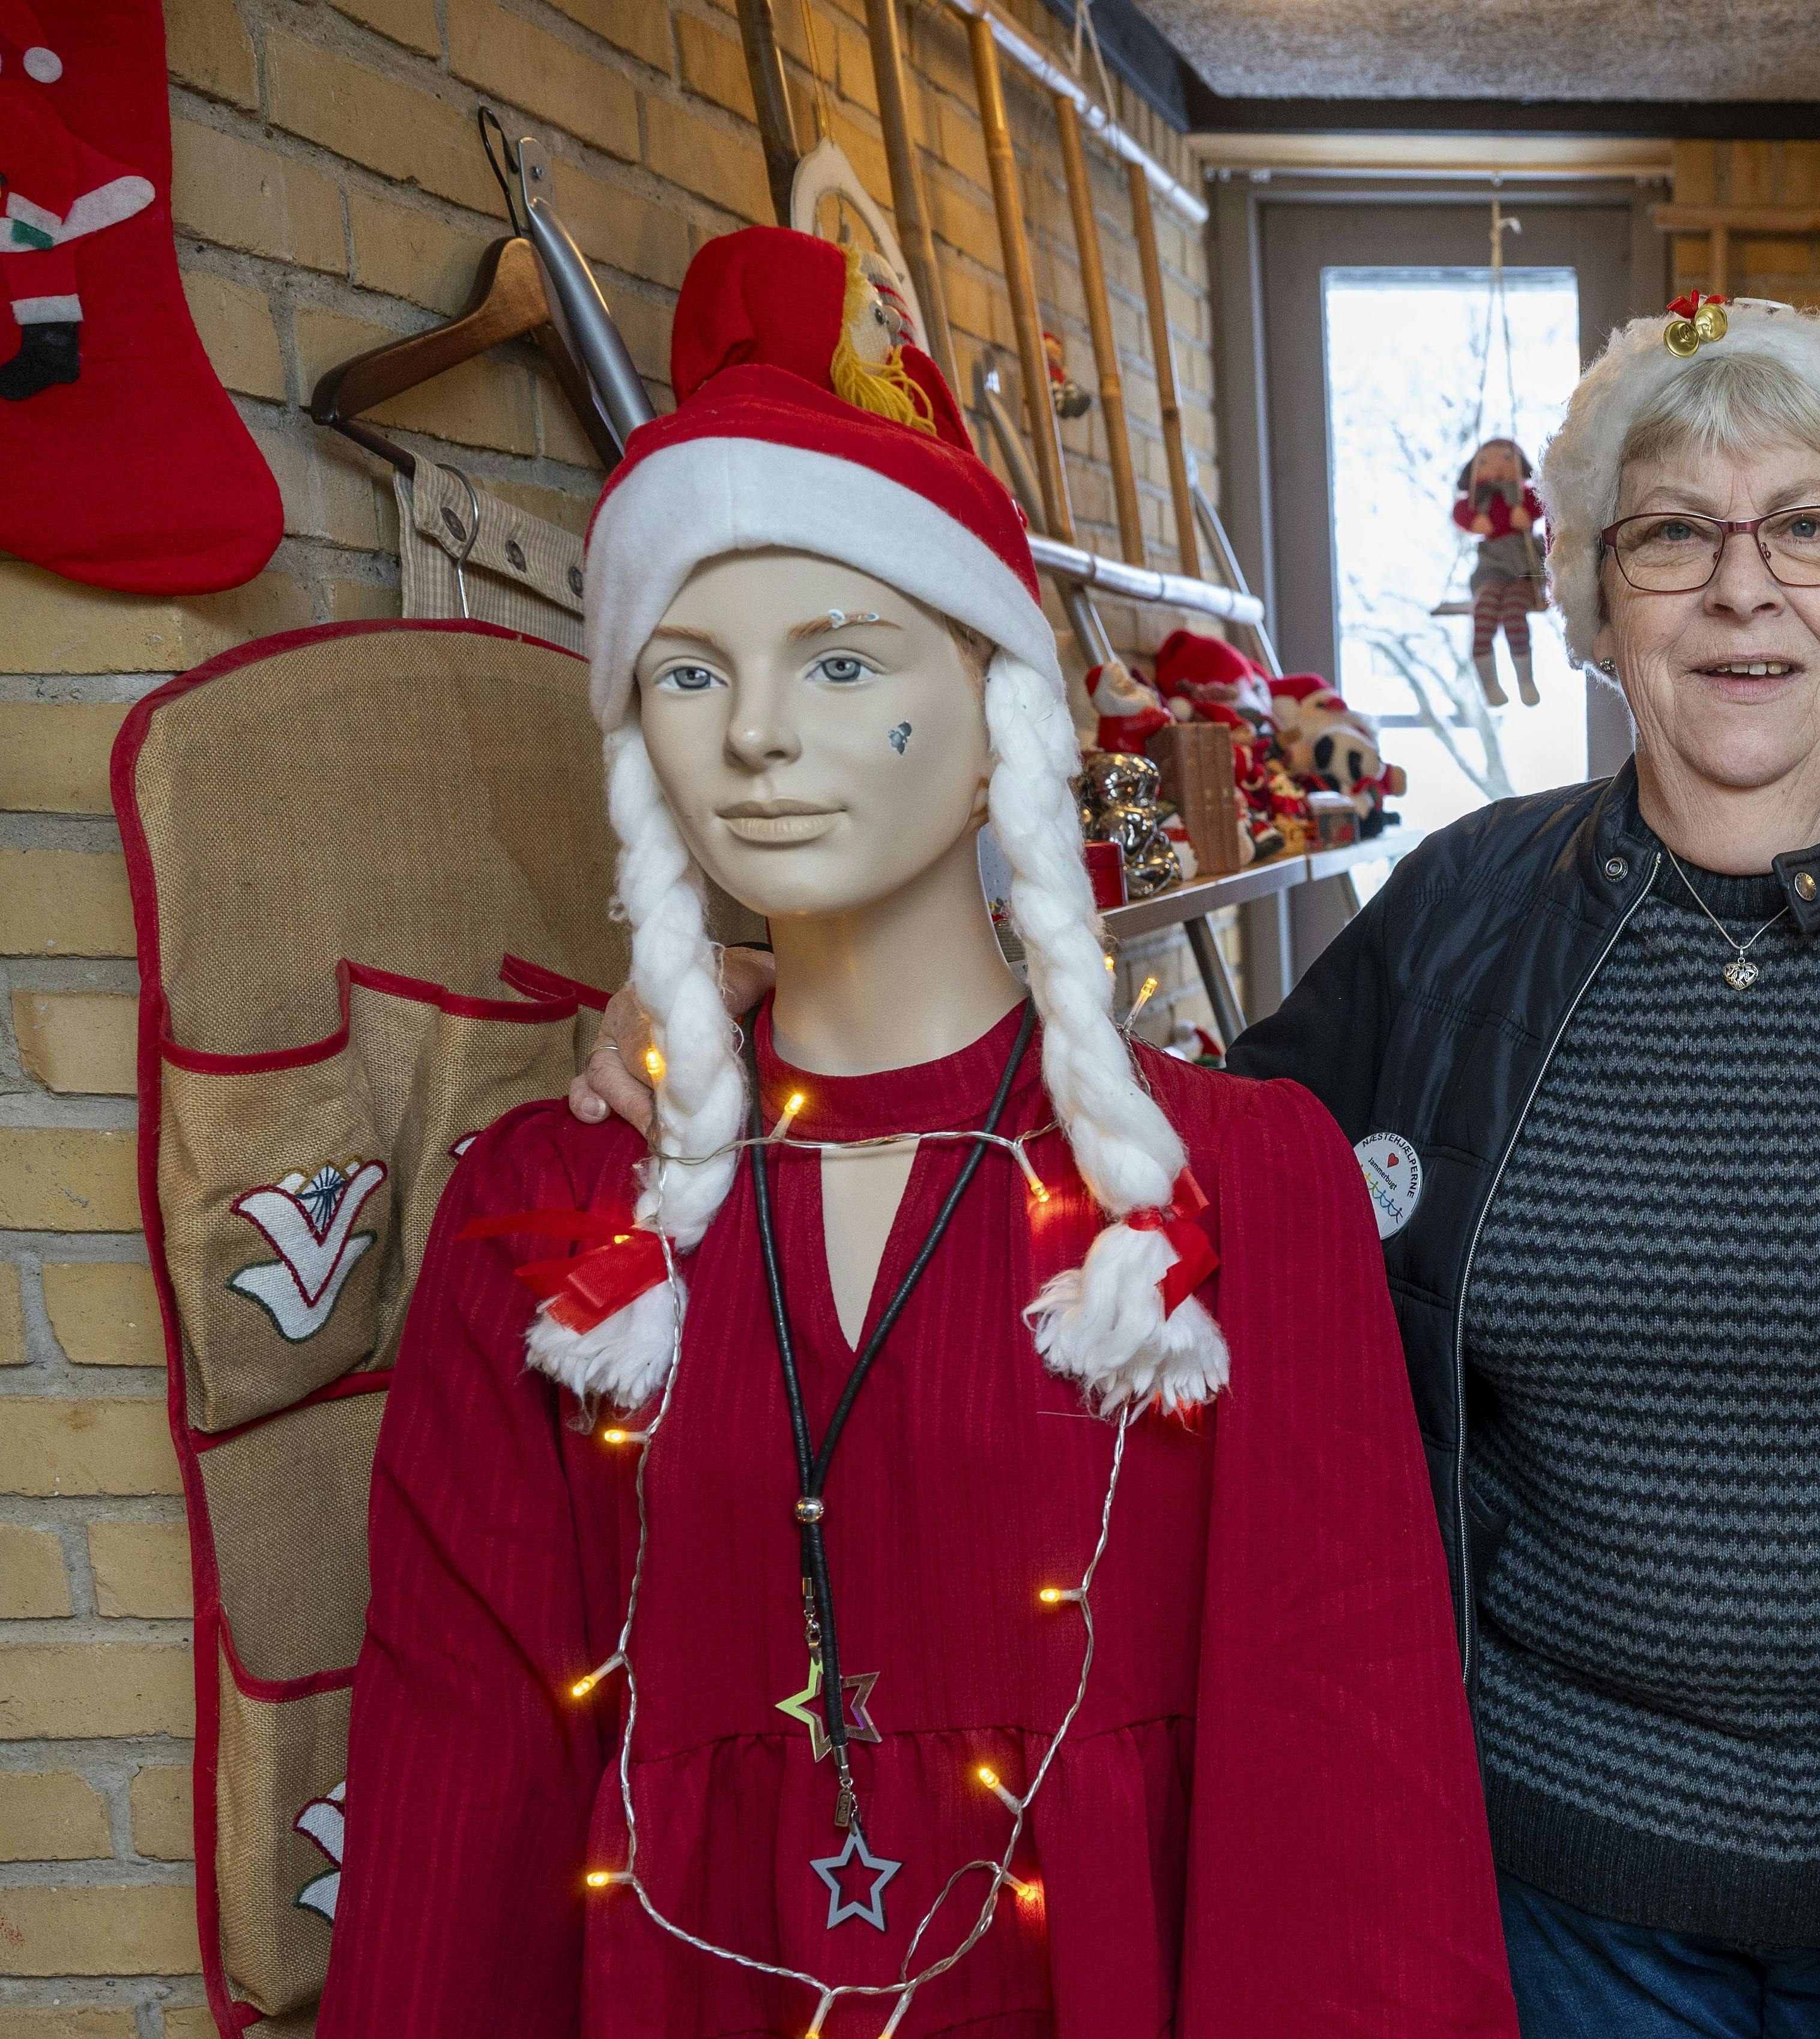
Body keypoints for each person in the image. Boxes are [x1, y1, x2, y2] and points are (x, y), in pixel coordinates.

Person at [578, 294, 1820, 2039]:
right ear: (1591, 600)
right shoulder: (1466, 912)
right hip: (1558, 1916)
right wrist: (797, 1013)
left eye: (1806, 527)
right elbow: (1160, 1181)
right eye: (1668, 536)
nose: (1740, 586)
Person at [345, 226, 1516, 2035]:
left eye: (836, 661)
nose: (751, 737)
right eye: (685, 670)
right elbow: (462, 1773)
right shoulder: (559, 1206)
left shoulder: (1236, 1186)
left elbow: (1345, 1782)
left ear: (996, 720)